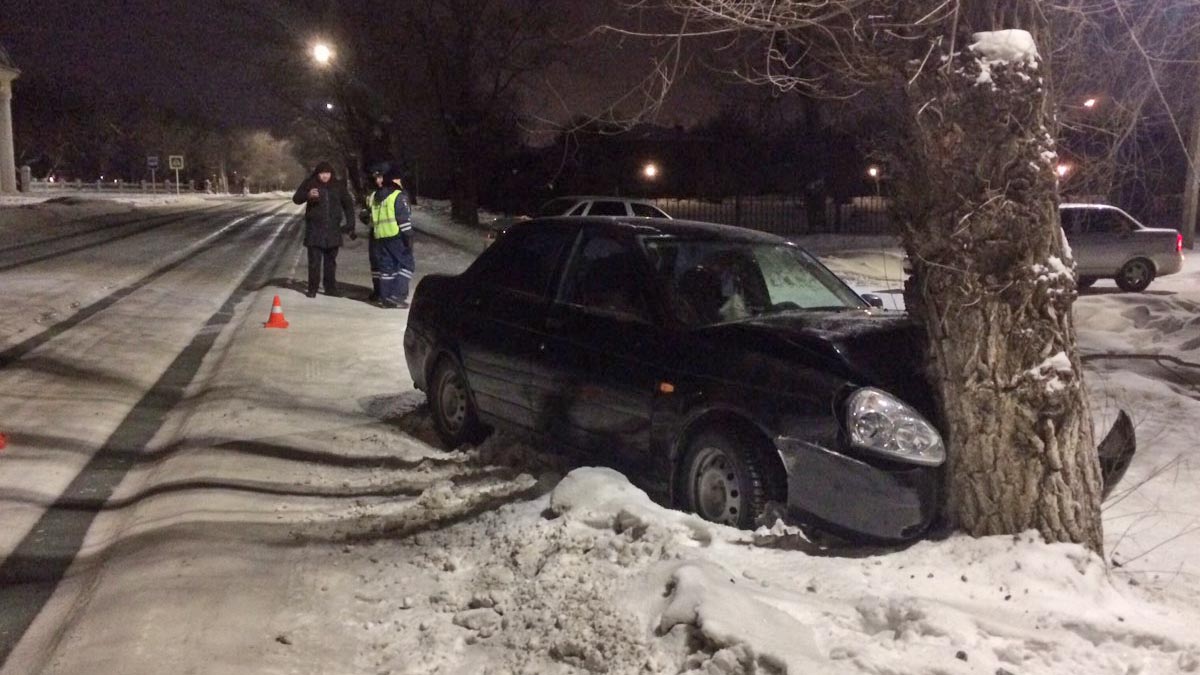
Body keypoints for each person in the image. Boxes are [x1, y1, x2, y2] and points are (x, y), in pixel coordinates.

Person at [292, 161, 356, 298]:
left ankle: (330, 287)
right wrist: (307, 195)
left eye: (327, 173)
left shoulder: (338, 186)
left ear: (331, 174)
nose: (325, 176)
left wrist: (351, 223)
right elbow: (296, 199)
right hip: (315, 229)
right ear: (317, 173)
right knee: (314, 261)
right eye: (322, 173)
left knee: (330, 261)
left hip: (333, 229)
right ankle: (312, 288)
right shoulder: (310, 183)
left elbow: (348, 204)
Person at [368, 167, 414, 308]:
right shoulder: (397, 195)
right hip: (396, 236)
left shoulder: (376, 195)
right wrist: (409, 237)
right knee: (407, 265)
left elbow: (369, 216)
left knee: (387, 268)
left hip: (380, 237)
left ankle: (385, 297)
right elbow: (403, 219)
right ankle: (397, 296)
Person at [359, 169, 386, 302]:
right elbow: (366, 211)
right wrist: (365, 216)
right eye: (376, 178)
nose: (378, 181)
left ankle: (387, 292)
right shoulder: (371, 195)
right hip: (375, 234)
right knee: (375, 264)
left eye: (380, 177)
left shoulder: (394, 193)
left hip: (390, 235)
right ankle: (378, 290)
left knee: (388, 264)